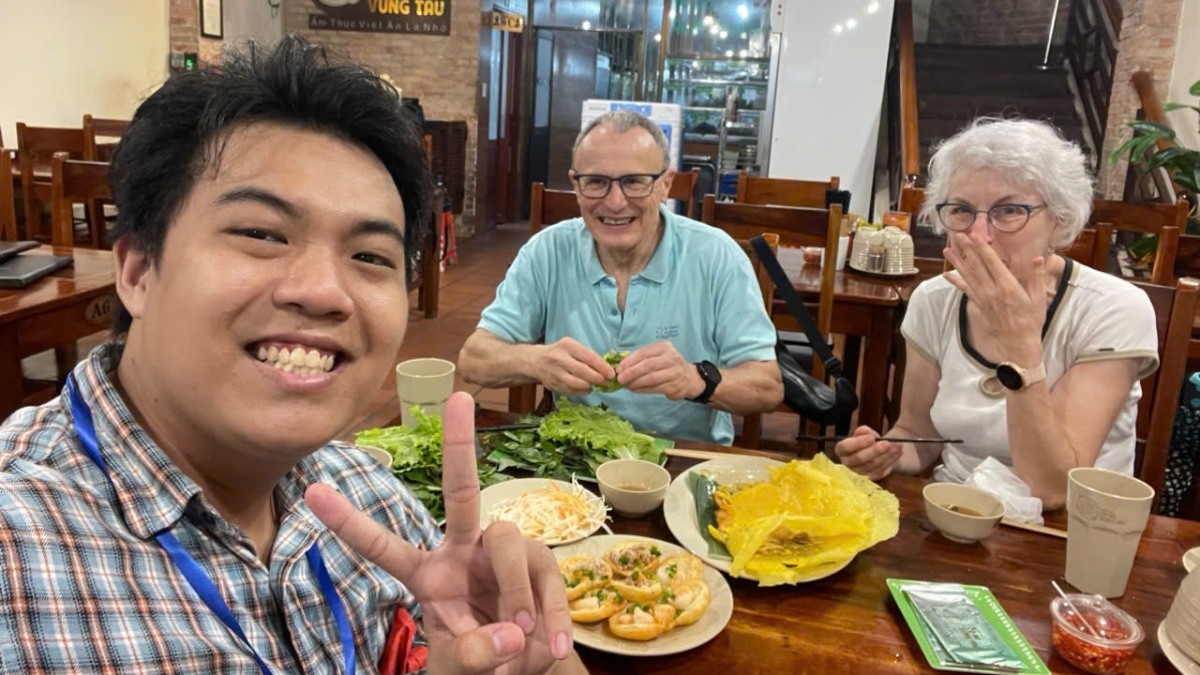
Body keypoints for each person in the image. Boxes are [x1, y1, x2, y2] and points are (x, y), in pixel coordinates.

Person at [0, 36, 584, 674]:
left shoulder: (370, 500)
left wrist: (522, 658)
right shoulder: (18, 553)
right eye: (261, 233)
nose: (324, 292)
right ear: (138, 270)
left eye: (369, 256)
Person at [835, 118, 1159, 511]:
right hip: (956, 512)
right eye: (961, 210)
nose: (979, 235)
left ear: (1058, 219)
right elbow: (919, 432)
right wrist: (884, 453)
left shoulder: (1113, 309)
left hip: (1074, 527)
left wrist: (1020, 342)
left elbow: (1053, 488)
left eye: (1008, 211)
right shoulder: (933, 300)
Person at [457, 111, 782, 444]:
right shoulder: (548, 251)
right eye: (596, 182)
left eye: (634, 182)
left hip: (685, 457)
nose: (615, 203)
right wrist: (536, 361)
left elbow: (767, 386)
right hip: (577, 457)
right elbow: (472, 359)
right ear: (576, 186)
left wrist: (694, 379)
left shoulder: (716, 255)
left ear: (665, 184)